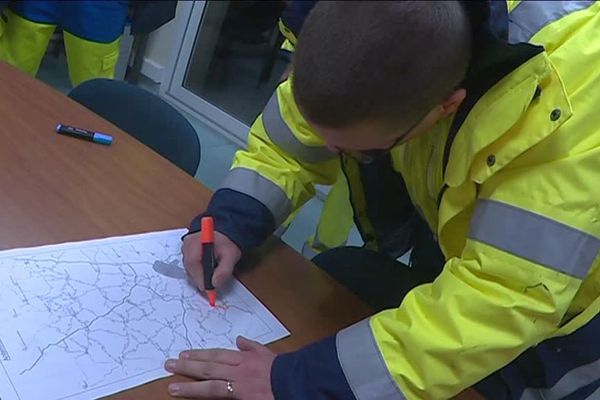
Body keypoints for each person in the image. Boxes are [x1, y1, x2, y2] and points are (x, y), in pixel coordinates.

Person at [167, 1, 600, 399]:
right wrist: (230, 220)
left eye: (363, 152)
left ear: (446, 107)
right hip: (468, 244)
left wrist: (297, 383)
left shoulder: (561, 126)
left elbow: (500, 299)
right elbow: (288, 145)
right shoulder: (370, 31)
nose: (333, 153)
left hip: (566, 318)